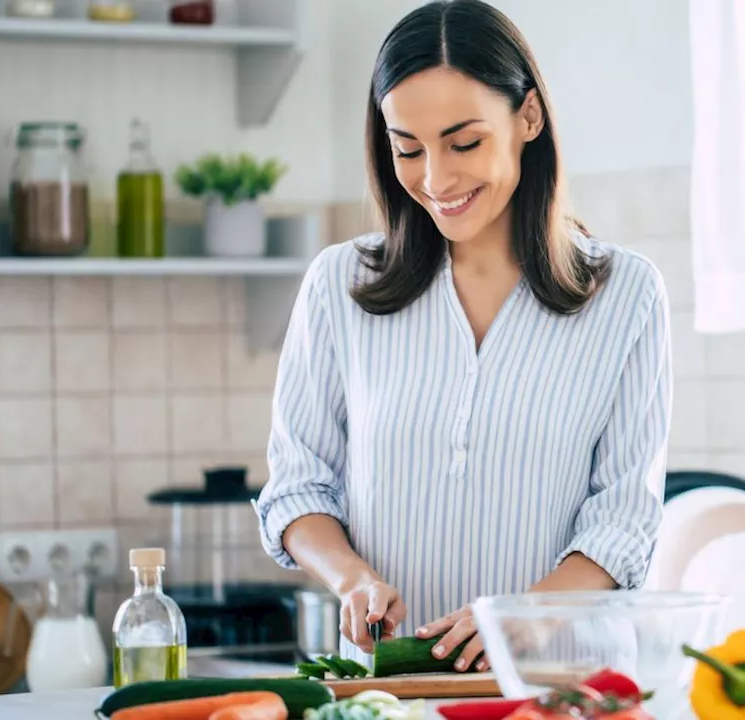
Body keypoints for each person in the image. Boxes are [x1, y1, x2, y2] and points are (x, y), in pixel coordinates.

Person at [252, 0, 672, 673]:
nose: (436, 179)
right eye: (407, 149)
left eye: (464, 142)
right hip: (388, 694)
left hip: (560, 691)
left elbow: (624, 519)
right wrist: (351, 578)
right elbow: (300, 487)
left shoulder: (626, 295)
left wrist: (518, 620)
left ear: (528, 117)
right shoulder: (338, 286)